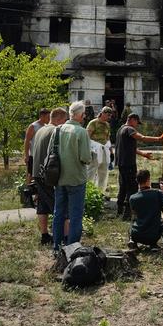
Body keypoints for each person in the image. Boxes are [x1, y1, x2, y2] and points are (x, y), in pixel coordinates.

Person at [52, 101, 92, 252]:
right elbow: (86, 158)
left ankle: (56, 246)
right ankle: (73, 248)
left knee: (58, 213)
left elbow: (51, 152)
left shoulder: (57, 130)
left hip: (58, 178)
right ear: (80, 115)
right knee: (75, 215)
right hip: (76, 178)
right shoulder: (82, 132)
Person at [114, 112, 163, 220]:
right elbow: (142, 138)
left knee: (123, 187)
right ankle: (128, 214)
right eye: (136, 122)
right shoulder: (129, 129)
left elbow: (129, 148)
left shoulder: (120, 130)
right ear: (132, 119)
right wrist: (159, 139)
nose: (137, 125)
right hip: (129, 164)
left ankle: (119, 211)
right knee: (132, 188)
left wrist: (143, 154)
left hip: (121, 164)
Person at [30, 107, 68, 245]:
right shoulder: (55, 131)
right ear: (58, 119)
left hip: (37, 172)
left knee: (42, 206)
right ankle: (63, 238)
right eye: (64, 120)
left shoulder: (41, 129)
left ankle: (45, 235)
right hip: (48, 174)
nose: (65, 123)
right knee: (59, 206)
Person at [128, 169, 163, 252]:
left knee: (134, 221)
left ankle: (132, 241)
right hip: (153, 235)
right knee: (161, 222)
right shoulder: (157, 193)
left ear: (137, 181)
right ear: (148, 180)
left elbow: (134, 214)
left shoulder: (132, 198)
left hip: (137, 234)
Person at [86, 106, 113, 192]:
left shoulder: (107, 125)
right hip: (94, 151)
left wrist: (111, 151)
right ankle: (88, 191)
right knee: (92, 171)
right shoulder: (93, 123)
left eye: (110, 116)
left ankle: (100, 192)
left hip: (104, 150)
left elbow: (108, 138)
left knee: (103, 171)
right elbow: (87, 137)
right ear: (103, 113)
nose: (109, 117)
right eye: (108, 115)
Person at [24, 108, 51, 182]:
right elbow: (27, 141)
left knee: (41, 175)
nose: (49, 119)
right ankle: (29, 191)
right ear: (42, 116)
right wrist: (26, 155)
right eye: (48, 117)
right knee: (31, 174)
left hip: (43, 156)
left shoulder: (47, 126)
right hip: (33, 155)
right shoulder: (33, 126)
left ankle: (38, 192)